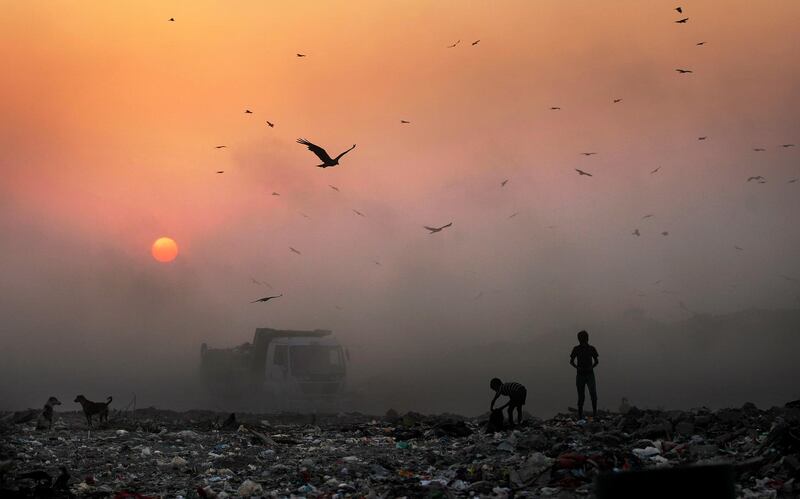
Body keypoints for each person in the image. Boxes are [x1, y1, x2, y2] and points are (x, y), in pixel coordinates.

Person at [570, 330, 599, 419]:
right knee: (585, 395)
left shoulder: (588, 349)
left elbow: (571, 362)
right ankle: (586, 414)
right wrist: (589, 367)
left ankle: (588, 414)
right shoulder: (579, 349)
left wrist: (579, 367)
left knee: (589, 394)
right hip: (584, 374)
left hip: (586, 374)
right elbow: (596, 361)